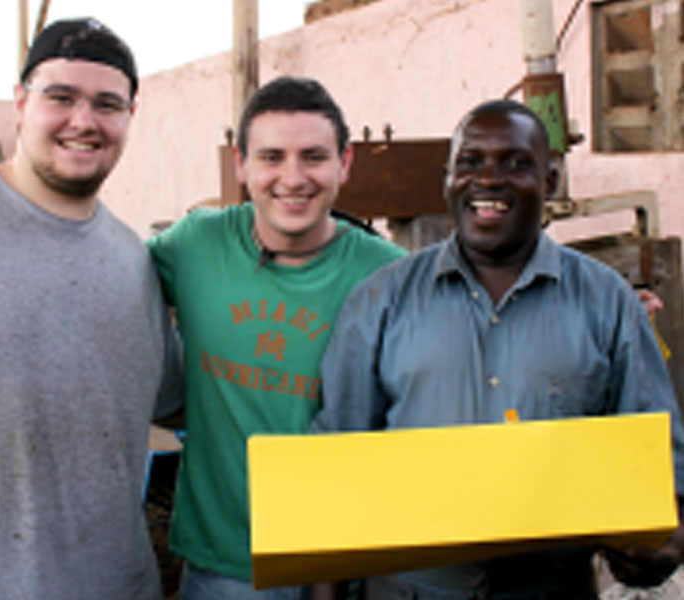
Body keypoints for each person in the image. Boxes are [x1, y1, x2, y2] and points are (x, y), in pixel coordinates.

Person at [313, 99, 684, 599]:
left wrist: (664, 542)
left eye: (515, 163)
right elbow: (334, 467)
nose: (488, 179)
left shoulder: (607, 302)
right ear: (447, 178)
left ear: (550, 180)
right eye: (470, 162)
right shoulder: (381, 301)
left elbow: (658, 459)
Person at [0, 18, 182, 599]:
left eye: (106, 104)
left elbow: (176, 402)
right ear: (19, 103)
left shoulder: (135, 263)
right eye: (61, 97)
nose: (83, 121)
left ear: (129, 117)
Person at [147, 76, 407, 599]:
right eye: (272, 157)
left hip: (348, 565)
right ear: (241, 164)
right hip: (224, 569)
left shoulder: (392, 277)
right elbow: (105, 287)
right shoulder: (197, 245)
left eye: (313, 156)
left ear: (345, 163)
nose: (293, 177)